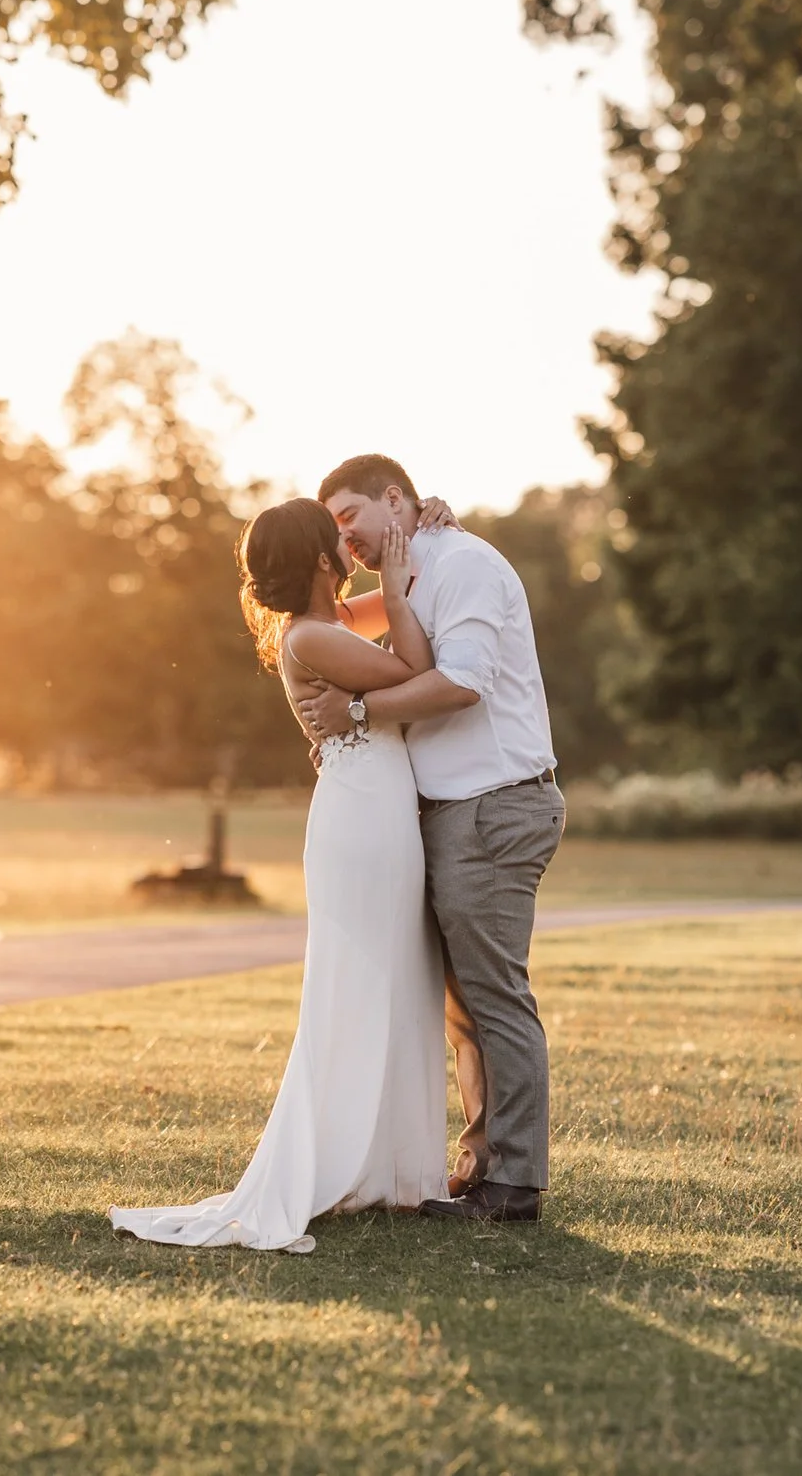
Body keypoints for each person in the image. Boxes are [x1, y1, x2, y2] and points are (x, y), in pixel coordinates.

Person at [108, 497, 450, 1252]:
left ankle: (391, 1169)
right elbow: (416, 671)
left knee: (397, 976)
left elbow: (405, 591)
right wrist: (396, 593)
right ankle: (351, 1161)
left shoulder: (330, 625)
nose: (349, 541)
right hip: (362, 823)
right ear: (322, 558)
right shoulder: (312, 638)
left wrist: (425, 530)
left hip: (377, 812)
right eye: (338, 537)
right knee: (361, 983)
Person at [297, 454, 562, 1225]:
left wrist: (355, 714)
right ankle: (484, 1167)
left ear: (394, 498)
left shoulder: (464, 565)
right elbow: (336, 630)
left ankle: (515, 1183)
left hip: (494, 803)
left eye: (350, 517)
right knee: (465, 1005)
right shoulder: (409, 574)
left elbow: (464, 682)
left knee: (493, 995)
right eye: (334, 528)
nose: (344, 538)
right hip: (452, 811)